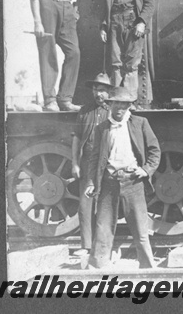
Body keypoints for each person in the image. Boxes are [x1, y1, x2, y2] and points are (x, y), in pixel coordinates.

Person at [85, 87, 161, 269]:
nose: (119, 108)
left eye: (124, 104)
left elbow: (154, 150)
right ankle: (97, 267)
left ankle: (148, 268)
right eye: (116, 104)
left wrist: (146, 169)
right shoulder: (102, 128)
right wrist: (91, 182)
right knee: (103, 228)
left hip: (133, 181)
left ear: (129, 106)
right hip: (109, 182)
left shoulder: (140, 123)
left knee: (141, 229)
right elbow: (94, 158)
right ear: (109, 105)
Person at [28, 0, 100, 111]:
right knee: (48, 53)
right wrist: (37, 21)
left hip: (67, 8)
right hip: (47, 6)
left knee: (74, 52)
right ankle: (50, 100)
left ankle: (65, 99)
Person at [99, 0, 154, 98]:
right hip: (115, 21)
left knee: (131, 64)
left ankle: (129, 102)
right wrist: (103, 26)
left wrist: (142, 22)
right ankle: (116, 100)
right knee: (116, 63)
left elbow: (149, 4)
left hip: (133, 22)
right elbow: (105, 5)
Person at [71, 72, 113, 256]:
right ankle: (86, 245)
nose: (98, 94)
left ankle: (104, 246)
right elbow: (76, 138)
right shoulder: (84, 111)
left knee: (105, 203)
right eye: (96, 90)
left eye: (102, 90)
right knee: (85, 203)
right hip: (87, 162)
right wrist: (75, 163)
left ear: (109, 92)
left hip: (107, 163)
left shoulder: (113, 111)